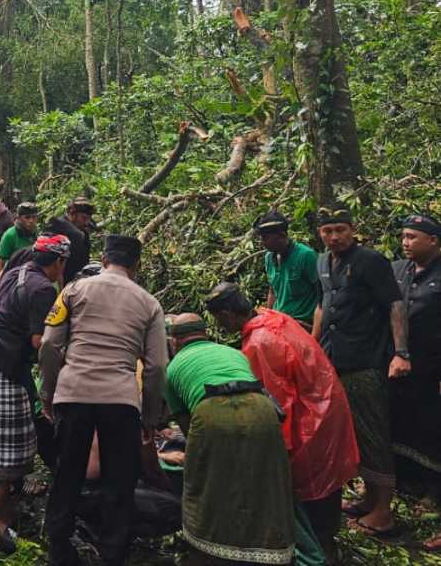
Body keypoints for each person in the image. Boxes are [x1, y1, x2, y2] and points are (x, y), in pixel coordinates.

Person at [207, 283, 359, 565]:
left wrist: (275, 451)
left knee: (309, 486)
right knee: (325, 483)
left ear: (227, 313)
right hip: (326, 407)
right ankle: (327, 542)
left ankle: (320, 551)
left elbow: (277, 404)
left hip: (310, 418)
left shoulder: (260, 343)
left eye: (218, 319)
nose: (220, 325)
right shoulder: (276, 318)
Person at [39, 235, 168, 566]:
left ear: (103, 258)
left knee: (67, 473)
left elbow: (51, 347)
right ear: (136, 266)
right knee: (119, 480)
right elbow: (156, 367)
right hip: (120, 400)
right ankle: (113, 553)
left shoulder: (73, 290)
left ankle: (59, 549)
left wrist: (49, 395)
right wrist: (150, 417)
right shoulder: (149, 303)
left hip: (73, 393)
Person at [0, 234, 71, 553]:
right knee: (13, 446)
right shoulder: (42, 289)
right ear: (59, 263)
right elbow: (41, 342)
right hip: (1, 364)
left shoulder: (15, 273)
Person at [164, 313, 294, 566]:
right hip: (262, 408)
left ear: (174, 341)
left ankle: (211, 552)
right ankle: (270, 552)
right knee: (265, 478)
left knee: (206, 481)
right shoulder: (233, 352)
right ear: (205, 333)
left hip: (211, 410)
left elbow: (190, 430)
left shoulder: (172, 368)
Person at [313, 207, 410, 537]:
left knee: (373, 433)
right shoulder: (322, 262)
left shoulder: (371, 261)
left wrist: (400, 353)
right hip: (334, 359)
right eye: (327, 231)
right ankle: (369, 498)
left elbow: (395, 305)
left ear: (353, 230)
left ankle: (383, 512)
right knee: (353, 434)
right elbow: (321, 305)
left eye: (340, 229)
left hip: (366, 361)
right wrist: (313, 348)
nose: (334, 236)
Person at [391, 215, 441, 552]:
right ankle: (411, 483)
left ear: (434, 241)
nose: (406, 242)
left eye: (413, 236)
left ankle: (435, 494)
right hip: (403, 365)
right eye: (403, 237)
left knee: (435, 429)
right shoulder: (398, 270)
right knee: (407, 427)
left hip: (433, 368)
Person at [253, 210, 321, 329]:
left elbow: (322, 295)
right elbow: (273, 291)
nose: (262, 242)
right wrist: (268, 316)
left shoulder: (305, 256)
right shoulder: (269, 257)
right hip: (279, 323)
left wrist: (315, 334)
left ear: (281, 235)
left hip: (302, 324)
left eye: (265, 238)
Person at [46, 196, 95, 284]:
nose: (87, 222)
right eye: (84, 218)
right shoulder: (57, 228)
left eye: (88, 218)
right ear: (72, 214)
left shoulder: (83, 230)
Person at [0, 202, 39, 283]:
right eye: (27, 217)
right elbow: (0, 262)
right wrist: (0, 284)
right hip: (14, 279)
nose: (31, 221)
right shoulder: (10, 235)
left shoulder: (37, 233)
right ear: (19, 218)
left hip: (32, 278)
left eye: (34, 217)